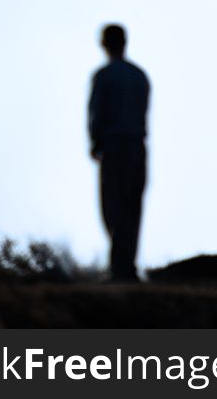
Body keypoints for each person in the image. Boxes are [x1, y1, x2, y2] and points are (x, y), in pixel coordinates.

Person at [88, 24, 150, 282]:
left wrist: (95, 143)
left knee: (113, 207)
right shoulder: (139, 76)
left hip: (114, 146)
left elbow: (95, 113)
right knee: (131, 207)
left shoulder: (103, 76)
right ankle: (126, 267)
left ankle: (119, 270)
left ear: (105, 44)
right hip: (137, 146)